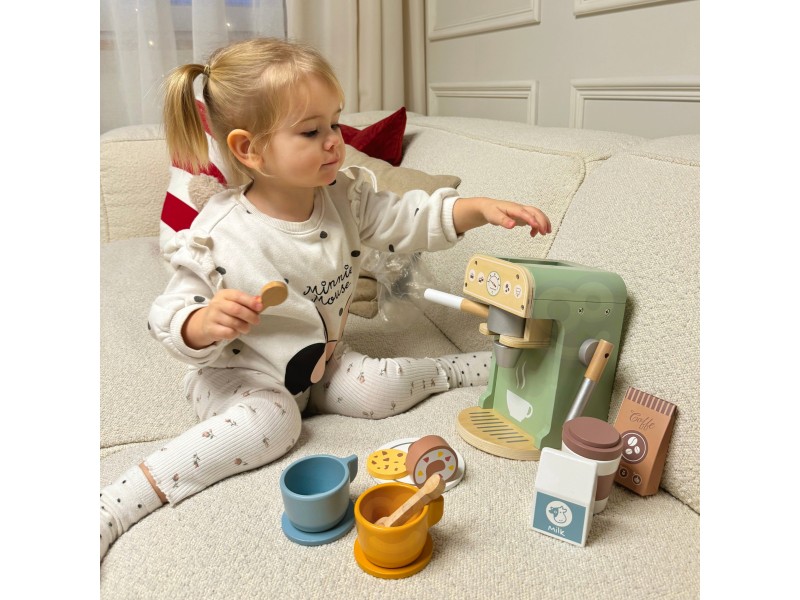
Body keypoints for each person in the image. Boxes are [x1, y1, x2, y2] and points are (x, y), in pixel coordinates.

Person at [100, 37, 551, 561]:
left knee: (378, 387)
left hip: (320, 363)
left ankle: (470, 367)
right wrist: (201, 323)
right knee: (276, 422)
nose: (335, 142)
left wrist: (477, 208)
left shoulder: (346, 198)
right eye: (312, 131)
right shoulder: (219, 235)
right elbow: (169, 313)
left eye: (334, 124)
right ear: (249, 149)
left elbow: (409, 218)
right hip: (239, 375)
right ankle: (113, 507)